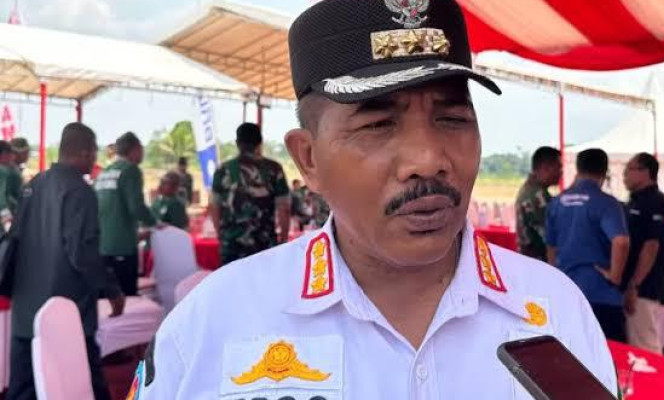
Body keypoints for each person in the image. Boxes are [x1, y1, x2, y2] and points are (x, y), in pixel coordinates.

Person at [128, 1, 618, 399]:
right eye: (378, 124)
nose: (428, 159)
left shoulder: (554, 309)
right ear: (308, 159)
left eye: (452, 119)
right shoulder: (214, 321)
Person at [8, 122, 124, 400]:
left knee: (23, 388)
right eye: (94, 153)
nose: (95, 160)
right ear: (84, 152)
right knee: (83, 384)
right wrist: (112, 290)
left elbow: (14, 240)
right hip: (66, 308)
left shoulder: (33, 185)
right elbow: (83, 253)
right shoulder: (80, 191)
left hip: (26, 309)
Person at [546, 148, 630, 342]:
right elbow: (621, 241)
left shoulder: (557, 202)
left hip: (566, 293)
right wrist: (615, 275)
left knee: (569, 352)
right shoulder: (607, 203)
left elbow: (550, 247)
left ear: (578, 169)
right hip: (600, 294)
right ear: (604, 171)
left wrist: (555, 278)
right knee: (610, 353)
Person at [210, 123, 291, 265]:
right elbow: (284, 208)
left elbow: (214, 206)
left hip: (231, 245)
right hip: (264, 245)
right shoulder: (273, 169)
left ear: (237, 143)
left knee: (232, 279)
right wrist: (283, 238)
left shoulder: (222, 170)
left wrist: (221, 236)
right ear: (260, 142)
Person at [95, 132, 158, 296]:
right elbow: (136, 207)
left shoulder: (104, 173)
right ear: (135, 149)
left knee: (107, 299)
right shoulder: (131, 170)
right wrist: (155, 222)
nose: (143, 153)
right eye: (141, 148)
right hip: (123, 246)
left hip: (103, 247)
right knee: (127, 298)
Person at [621, 153, 664, 353]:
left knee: (644, 345)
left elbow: (651, 246)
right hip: (628, 283)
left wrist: (635, 285)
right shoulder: (633, 202)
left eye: (629, 169)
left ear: (645, 172)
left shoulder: (657, 203)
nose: (625, 174)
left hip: (643, 286)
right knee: (631, 343)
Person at [515, 146, 561, 261]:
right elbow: (552, 236)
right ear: (545, 168)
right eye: (558, 167)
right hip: (538, 261)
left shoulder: (530, 189)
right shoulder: (537, 196)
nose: (561, 172)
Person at [0, 141, 21, 230]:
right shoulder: (2, 171)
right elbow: (1, 198)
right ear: (4, 155)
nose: (12, 157)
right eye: (11, 154)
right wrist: (7, 222)